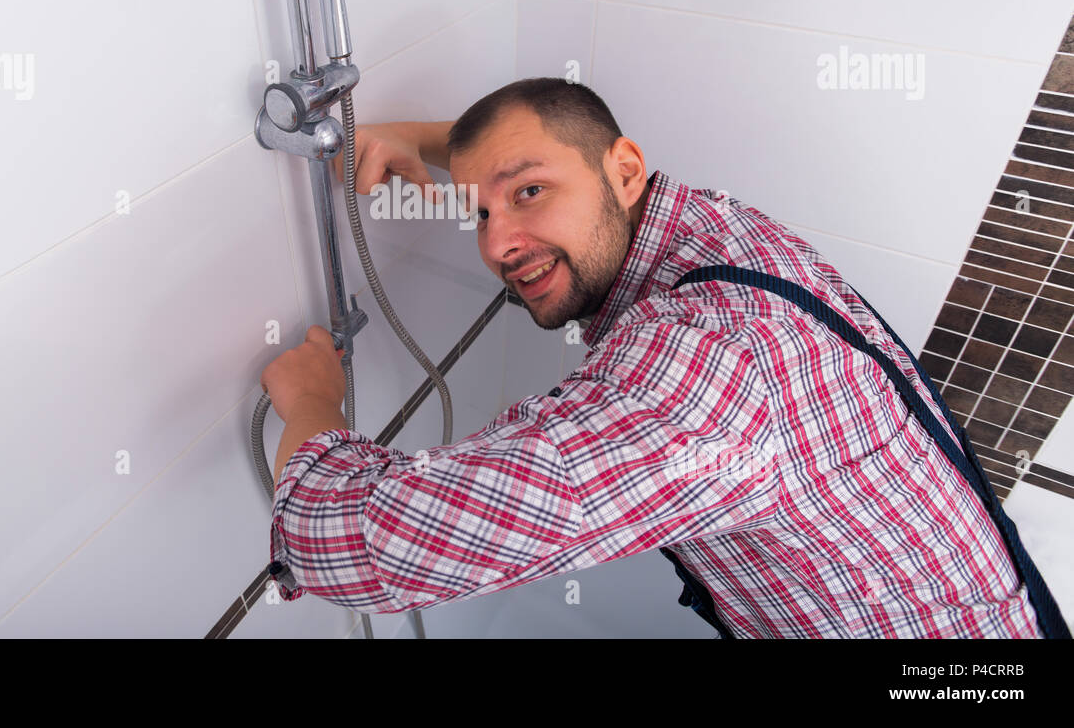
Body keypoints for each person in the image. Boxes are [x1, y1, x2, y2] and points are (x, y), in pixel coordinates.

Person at [258, 76, 1048, 637]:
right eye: (479, 210)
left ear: (625, 171)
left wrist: (313, 403)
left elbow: (350, 541)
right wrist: (418, 141)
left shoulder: (699, 381)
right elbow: (548, 133)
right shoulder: (704, 227)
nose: (495, 244)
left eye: (527, 193)